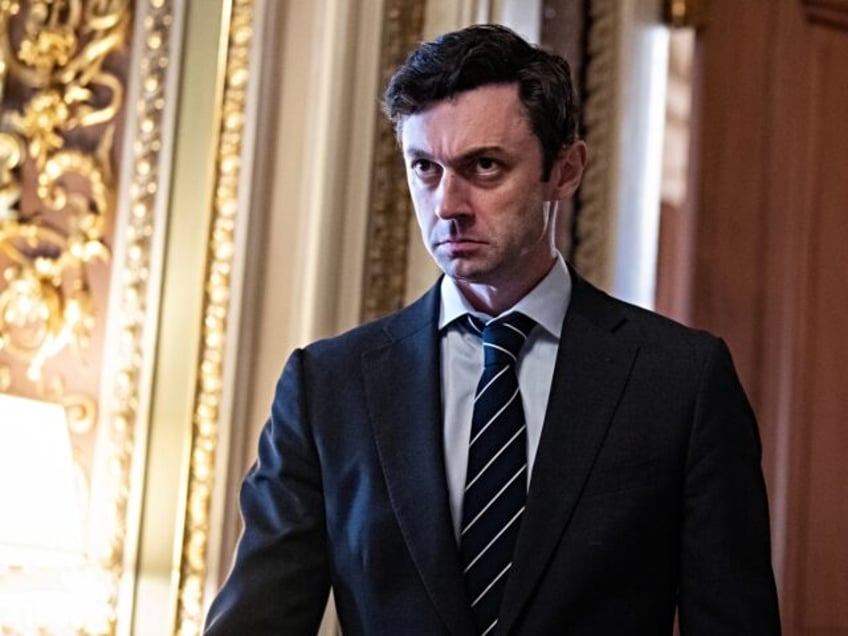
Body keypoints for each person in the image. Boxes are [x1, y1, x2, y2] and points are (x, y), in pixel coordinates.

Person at [204, 24, 780, 635]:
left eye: (483, 166)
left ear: (564, 171)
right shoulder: (327, 388)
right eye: (424, 167)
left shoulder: (680, 383)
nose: (447, 204)